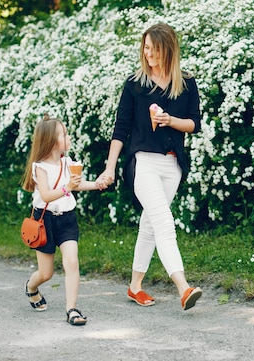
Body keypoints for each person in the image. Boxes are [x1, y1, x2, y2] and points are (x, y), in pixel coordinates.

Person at [97, 22, 203, 310]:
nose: (149, 54)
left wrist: (170, 120)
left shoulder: (187, 83)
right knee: (164, 222)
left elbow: (194, 123)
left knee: (151, 225)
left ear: (168, 50)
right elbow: (120, 130)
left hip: (173, 165)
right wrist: (109, 168)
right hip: (142, 162)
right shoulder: (135, 84)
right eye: (145, 48)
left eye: (154, 49)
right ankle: (183, 287)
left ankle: (134, 287)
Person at [20, 114, 102, 326]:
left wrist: (97, 184)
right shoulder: (40, 167)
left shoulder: (68, 163)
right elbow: (46, 195)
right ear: (51, 141)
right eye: (64, 134)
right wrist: (68, 188)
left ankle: (72, 309)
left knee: (72, 262)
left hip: (66, 219)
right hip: (44, 221)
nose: (69, 137)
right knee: (46, 273)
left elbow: (79, 183)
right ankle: (31, 287)